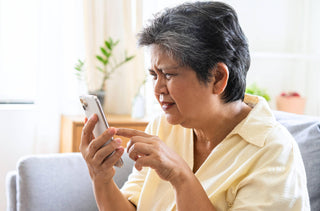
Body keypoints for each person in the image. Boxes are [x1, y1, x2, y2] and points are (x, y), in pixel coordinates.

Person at [80, 1, 310, 210]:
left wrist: (181, 177)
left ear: (218, 77)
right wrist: (101, 179)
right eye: (153, 75)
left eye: (168, 74)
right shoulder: (163, 127)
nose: (158, 88)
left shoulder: (274, 152)